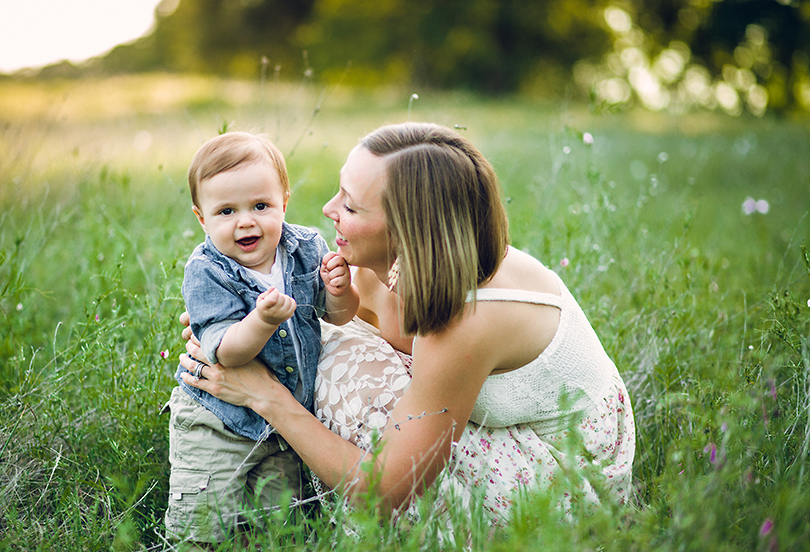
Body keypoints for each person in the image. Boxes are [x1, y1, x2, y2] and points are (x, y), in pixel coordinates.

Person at [178, 122, 635, 523]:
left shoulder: (465, 318)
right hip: (498, 423)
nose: (328, 210)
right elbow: (312, 312)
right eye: (340, 191)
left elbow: (386, 493)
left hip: (566, 478)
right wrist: (234, 326)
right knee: (328, 335)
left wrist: (265, 395)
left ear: (405, 232)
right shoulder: (397, 264)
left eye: (352, 207)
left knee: (343, 366)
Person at [166, 131, 359, 544]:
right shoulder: (207, 271)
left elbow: (339, 316)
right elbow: (225, 353)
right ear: (202, 218)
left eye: (260, 205)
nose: (246, 221)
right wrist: (262, 320)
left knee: (282, 522)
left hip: (283, 420)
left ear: (284, 202)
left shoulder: (307, 247)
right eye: (226, 211)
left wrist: (342, 291)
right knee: (203, 518)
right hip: (217, 419)